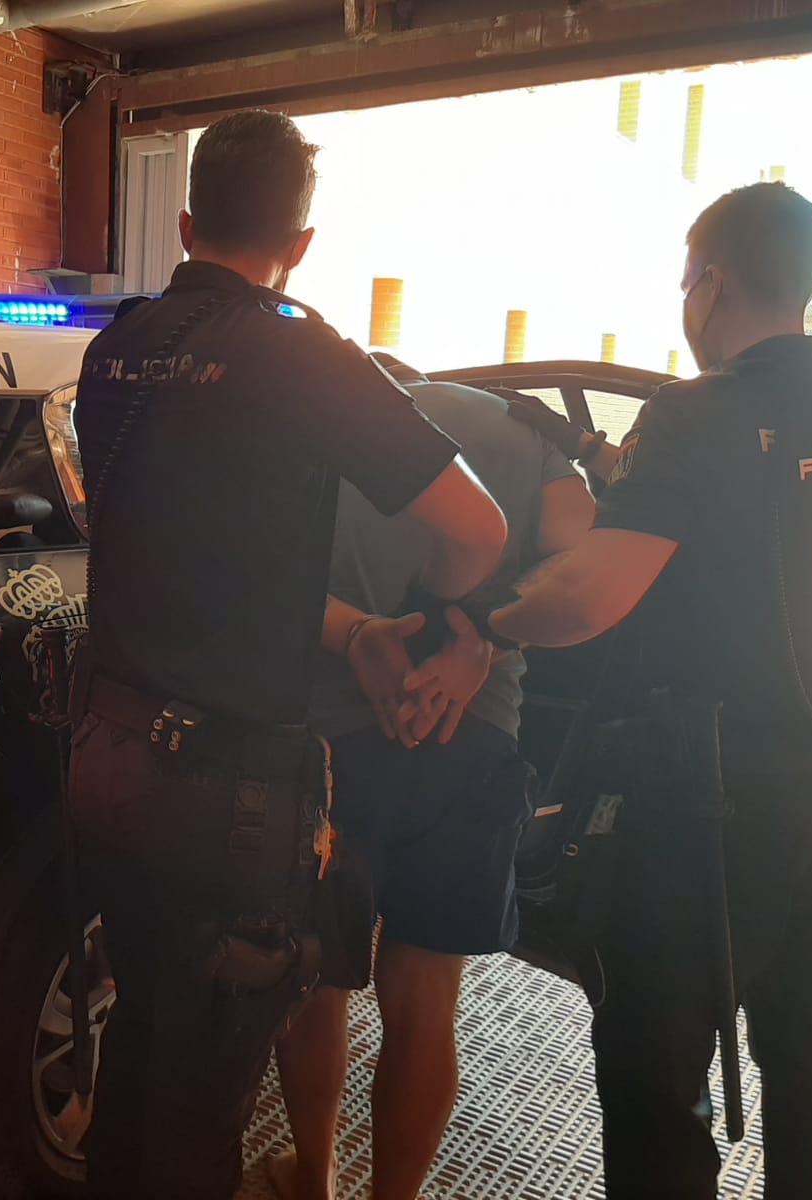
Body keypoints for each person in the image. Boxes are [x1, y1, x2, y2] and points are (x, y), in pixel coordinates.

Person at [439, 181, 812, 1199]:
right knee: (809, 1058)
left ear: (709, 284)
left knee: (657, 1079)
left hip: (700, 816)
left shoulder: (696, 415)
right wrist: (605, 459)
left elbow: (586, 597)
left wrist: (480, 623)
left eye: (684, 283)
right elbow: (771, 522)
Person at [67, 110, 508, 1200]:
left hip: (108, 754)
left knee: (138, 1048)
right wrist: (423, 623)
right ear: (301, 244)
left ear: (185, 223)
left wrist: (352, 632)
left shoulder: (115, 350)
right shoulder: (303, 352)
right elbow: (479, 531)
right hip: (229, 791)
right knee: (203, 1094)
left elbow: (201, 554)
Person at [271, 354, 597, 1200]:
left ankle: (312, 1178)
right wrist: (483, 635)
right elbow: (581, 557)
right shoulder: (523, 431)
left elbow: (262, 582)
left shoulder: (316, 424)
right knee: (425, 1006)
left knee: (316, 981)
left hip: (331, 746)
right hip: (469, 739)